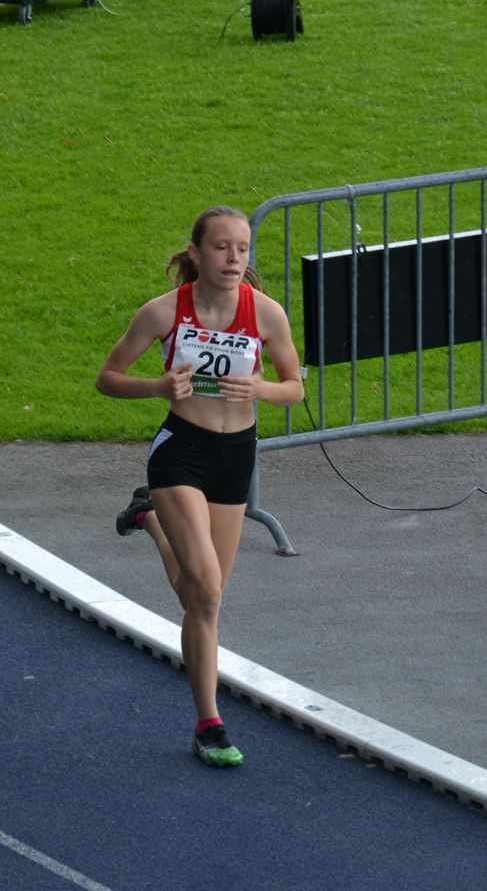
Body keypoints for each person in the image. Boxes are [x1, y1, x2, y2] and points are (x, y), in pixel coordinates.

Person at [96, 205, 303, 766]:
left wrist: (260, 390)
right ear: (196, 252)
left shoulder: (266, 314)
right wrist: (160, 386)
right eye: (221, 247)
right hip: (181, 453)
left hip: (235, 459)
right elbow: (107, 379)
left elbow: (294, 387)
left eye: (242, 248)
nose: (234, 258)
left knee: (201, 597)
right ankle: (209, 725)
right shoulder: (164, 312)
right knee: (207, 590)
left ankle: (150, 521)